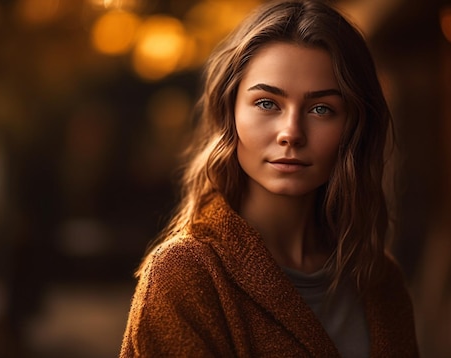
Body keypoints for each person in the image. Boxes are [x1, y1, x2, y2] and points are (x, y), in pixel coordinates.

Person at [120, 0, 418, 356]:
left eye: (321, 109)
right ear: (229, 111)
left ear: (354, 127)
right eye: (267, 103)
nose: (291, 133)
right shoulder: (184, 276)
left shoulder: (380, 280)